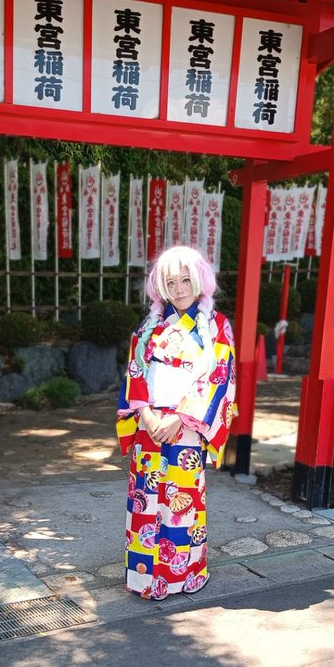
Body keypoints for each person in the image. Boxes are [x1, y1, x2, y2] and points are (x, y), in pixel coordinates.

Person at [116, 245, 237, 601]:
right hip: (150, 426)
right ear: (161, 286)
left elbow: (219, 377)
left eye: (186, 280)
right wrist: (147, 415)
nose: (180, 288)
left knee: (180, 503)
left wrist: (179, 418)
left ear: (200, 280)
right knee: (145, 500)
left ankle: (184, 575)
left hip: (186, 428)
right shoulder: (148, 328)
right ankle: (144, 578)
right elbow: (135, 373)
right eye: (171, 282)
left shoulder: (216, 326)